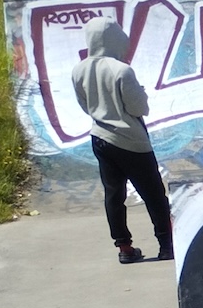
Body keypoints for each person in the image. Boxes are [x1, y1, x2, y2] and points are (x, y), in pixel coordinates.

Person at [69, 16, 172, 263]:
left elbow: (84, 105)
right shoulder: (121, 70)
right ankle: (166, 245)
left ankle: (124, 248)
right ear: (115, 39)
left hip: (100, 138)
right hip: (131, 140)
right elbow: (139, 108)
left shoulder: (79, 70)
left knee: (114, 195)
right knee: (154, 194)